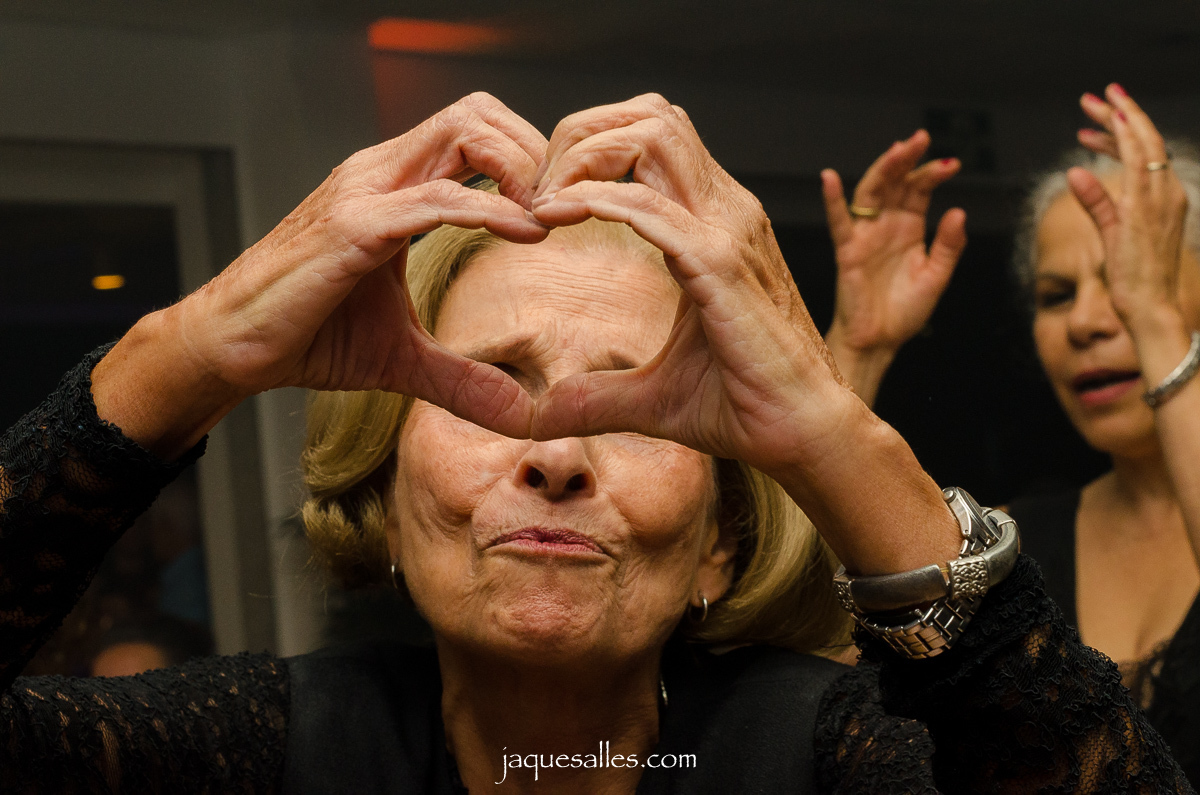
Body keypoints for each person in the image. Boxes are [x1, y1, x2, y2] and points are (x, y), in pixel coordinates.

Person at [0, 93, 1190, 793]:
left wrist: (828, 429)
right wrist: (193, 347)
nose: (556, 453)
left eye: (627, 410)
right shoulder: (266, 751)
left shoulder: (829, 760)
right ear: (385, 490)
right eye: (486, 391)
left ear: (723, 542)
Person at [823, 83, 1200, 782]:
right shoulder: (1005, 546)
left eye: (1124, 278)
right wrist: (858, 346)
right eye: (1056, 296)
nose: (1086, 321)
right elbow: (805, 648)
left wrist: (1152, 314)